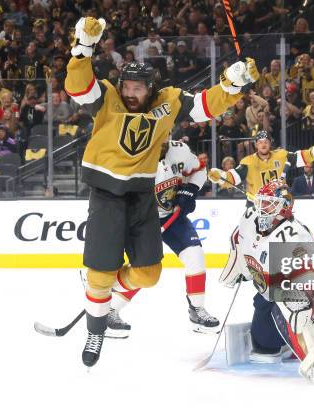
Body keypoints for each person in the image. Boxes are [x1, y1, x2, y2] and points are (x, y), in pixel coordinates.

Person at [64, 16, 259, 367]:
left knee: (149, 274)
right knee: (100, 274)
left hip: (142, 197)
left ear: (151, 88)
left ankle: (101, 294)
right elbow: (79, 88)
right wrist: (83, 49)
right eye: (127, 86)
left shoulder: (166, 102)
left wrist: (231, 85)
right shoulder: (107, 98)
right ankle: (96, 329)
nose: (131, 92)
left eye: (138, 88)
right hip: (106, 195)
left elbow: (203, 106)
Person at [219, 179, 314, 382]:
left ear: (284, 207)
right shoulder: (250, 217)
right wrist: (236, 270)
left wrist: (306, 302)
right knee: (264, 347)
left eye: (269, 203)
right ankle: (295, 341)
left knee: (290, 303)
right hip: (269, 296)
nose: (262, 207)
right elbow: (237, 239)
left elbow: (313, 272)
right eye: (261, 201)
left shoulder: (295, 235)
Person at [106, 140, 219, 338]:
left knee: (195, 255)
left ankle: (197, 311)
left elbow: (199, 169)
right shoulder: (132, 158)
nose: (162, 137)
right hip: (142, 221)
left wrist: (189, 190)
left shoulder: (179, 149)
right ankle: (110, 310)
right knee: (144, 271)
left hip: (172, 217)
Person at [208, 130, 314, 198]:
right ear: (256, 145)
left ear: (270, 143)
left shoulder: (281, 155)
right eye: (260, 142)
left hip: (280, 203)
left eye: (266, 141)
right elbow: (233, 178)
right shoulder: (248, 162)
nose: (263, 144)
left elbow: (301, 157)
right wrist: (220, 176)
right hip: (256, 206)